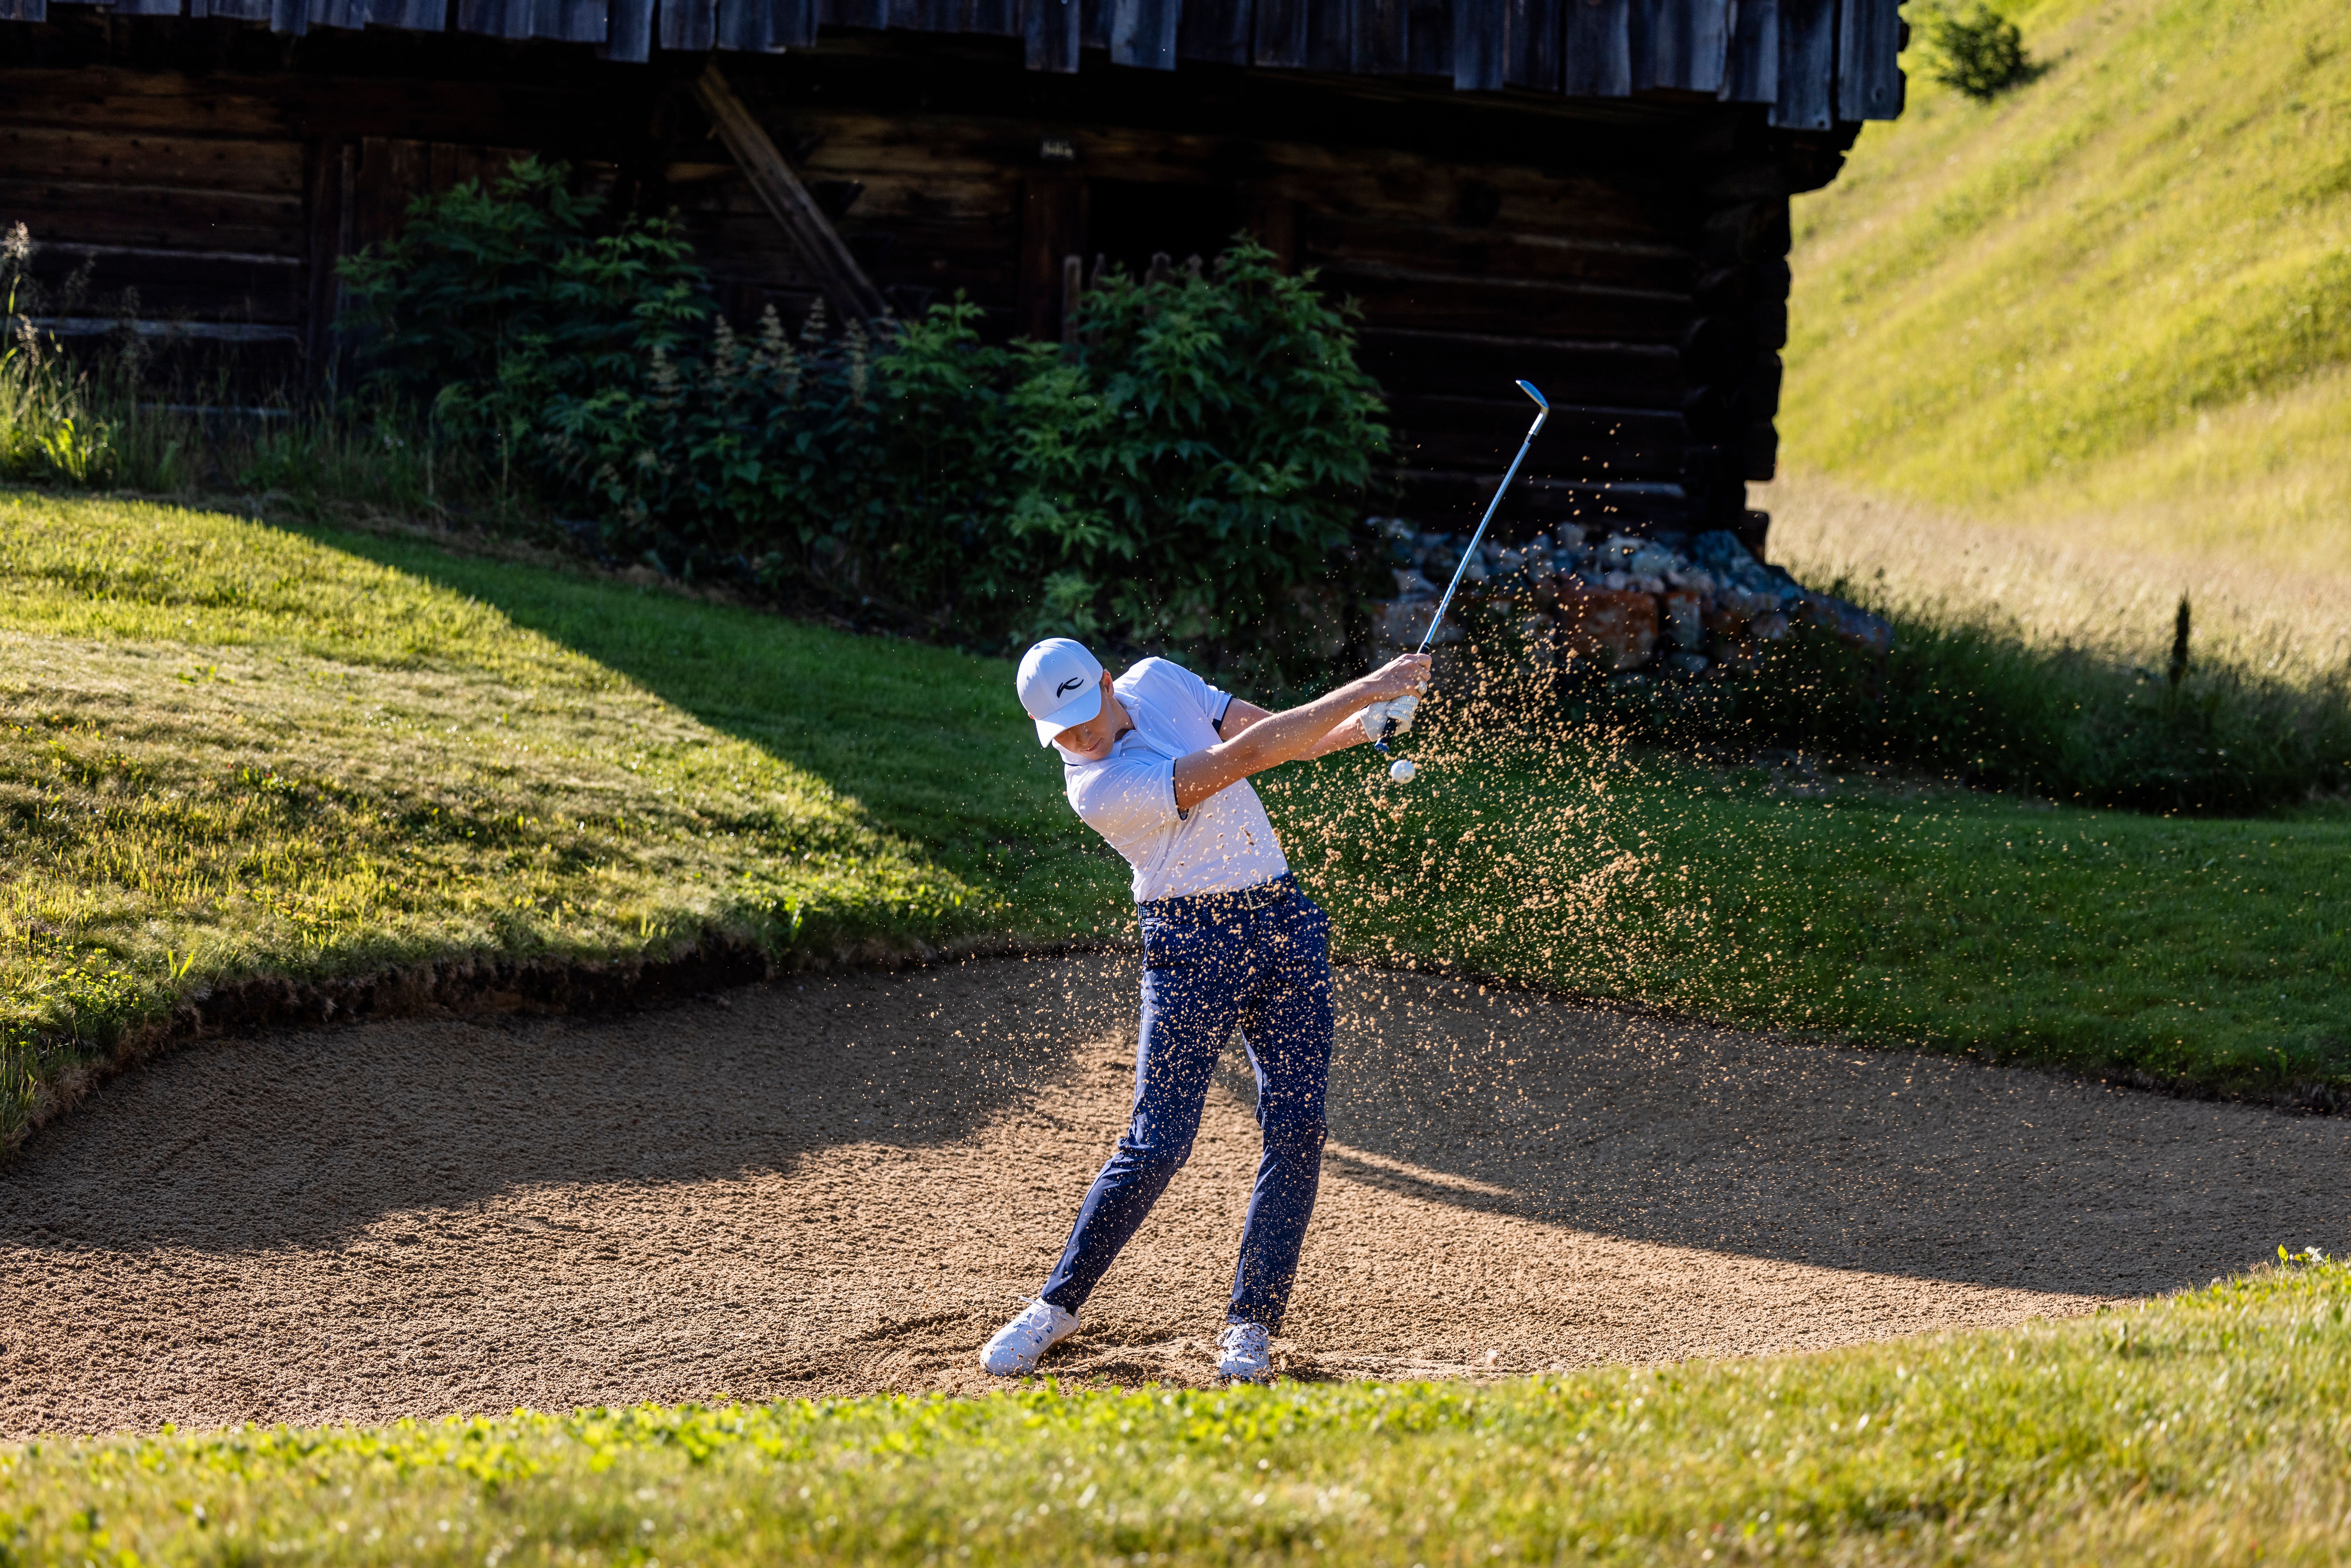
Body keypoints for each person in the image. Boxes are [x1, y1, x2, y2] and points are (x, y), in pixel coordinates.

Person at [979, 637, 1432, 1382]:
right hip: (1192, 945)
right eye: (1061, 731)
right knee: (1158, 1144)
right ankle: (1056, 1306)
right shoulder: (1096, 788)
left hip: (1285, 922)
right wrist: (1367, 686)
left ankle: (1251, 1325)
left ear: (1105, 681)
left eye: (1085, 715)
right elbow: (1244, 759)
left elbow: (1279, 736)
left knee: (1299, 1128)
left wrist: (1365, 725)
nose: (1080, 737)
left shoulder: (1160, 680)